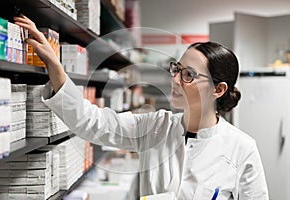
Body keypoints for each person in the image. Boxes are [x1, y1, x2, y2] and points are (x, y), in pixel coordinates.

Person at [14, 15, 269, 200]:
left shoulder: (242, 148)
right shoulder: (155, 126)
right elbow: (91, 121)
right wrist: (55, 65)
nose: (176, 80)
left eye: (189, 75)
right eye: (177, 69)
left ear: (218, 89)